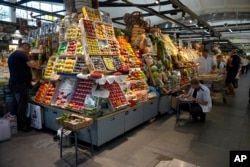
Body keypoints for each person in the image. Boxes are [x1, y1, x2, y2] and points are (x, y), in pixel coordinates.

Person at [8, 43, 38, 132]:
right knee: (22, 104)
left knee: (18, 103)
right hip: (20, 84)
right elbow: (31, 65)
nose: (29, 52)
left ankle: (20, 123)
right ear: (26, 47)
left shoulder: (12, 55)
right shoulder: (22, 54)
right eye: (28, 50)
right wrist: (33, 61)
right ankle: (23, 125)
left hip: (15, 83)